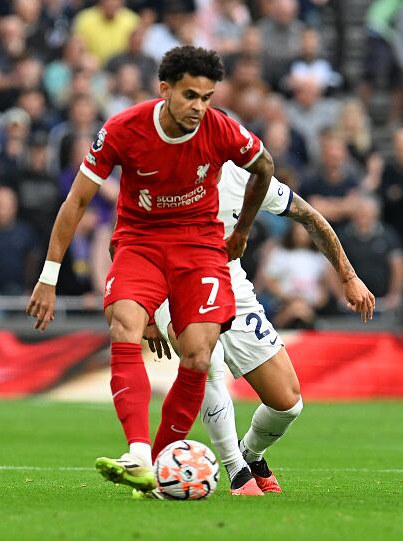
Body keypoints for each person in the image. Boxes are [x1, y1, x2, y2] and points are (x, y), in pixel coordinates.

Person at [25, 46, 274, 493]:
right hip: (140, 243)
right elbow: (77, 201)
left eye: (207, 97)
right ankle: (138, 452)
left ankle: (159, 470)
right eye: (190, 95)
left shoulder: (221, 129)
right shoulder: (123, 129)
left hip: (199, 248)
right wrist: (49, 276)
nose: (199, 107)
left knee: (199, 355)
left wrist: (243, 232)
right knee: (124, 326)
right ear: (165, 90)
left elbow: (265, 167)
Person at [146, 161, 375, 496]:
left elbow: (310, 217)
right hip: (173, 281)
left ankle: (249, 454)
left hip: (229, 280)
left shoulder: (246, 178)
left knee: (288, 403)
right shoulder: (164, 174)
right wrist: (149, 311)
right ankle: (236, 471)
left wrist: (349, 276)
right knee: (206, 357)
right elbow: (129, 240)